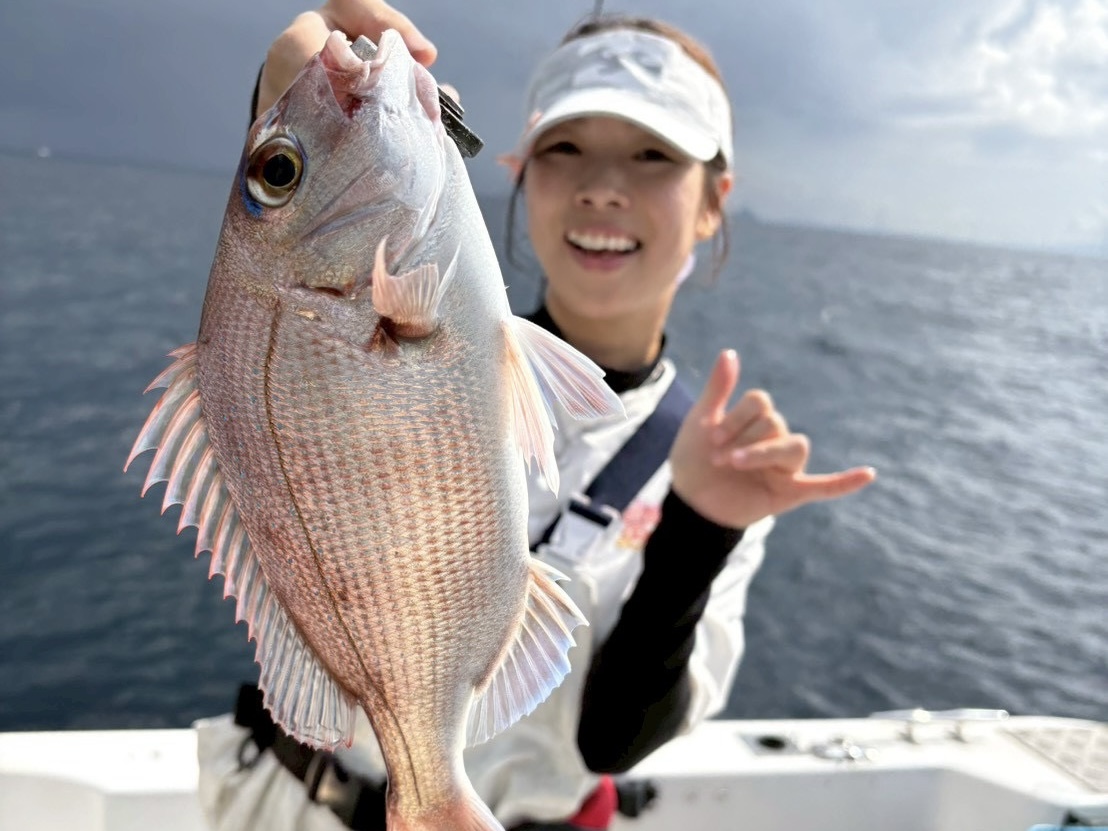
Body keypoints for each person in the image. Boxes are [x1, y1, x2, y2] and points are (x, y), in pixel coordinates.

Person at [195, 3, 877, 829]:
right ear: (517, 170)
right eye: (565, 148)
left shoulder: (717, 461)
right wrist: (287, 112)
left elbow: (615, 740)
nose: (602, 187)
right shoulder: (415, 319)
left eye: (653, 155)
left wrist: (701, 528)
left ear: (713, 201)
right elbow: (266, 317)